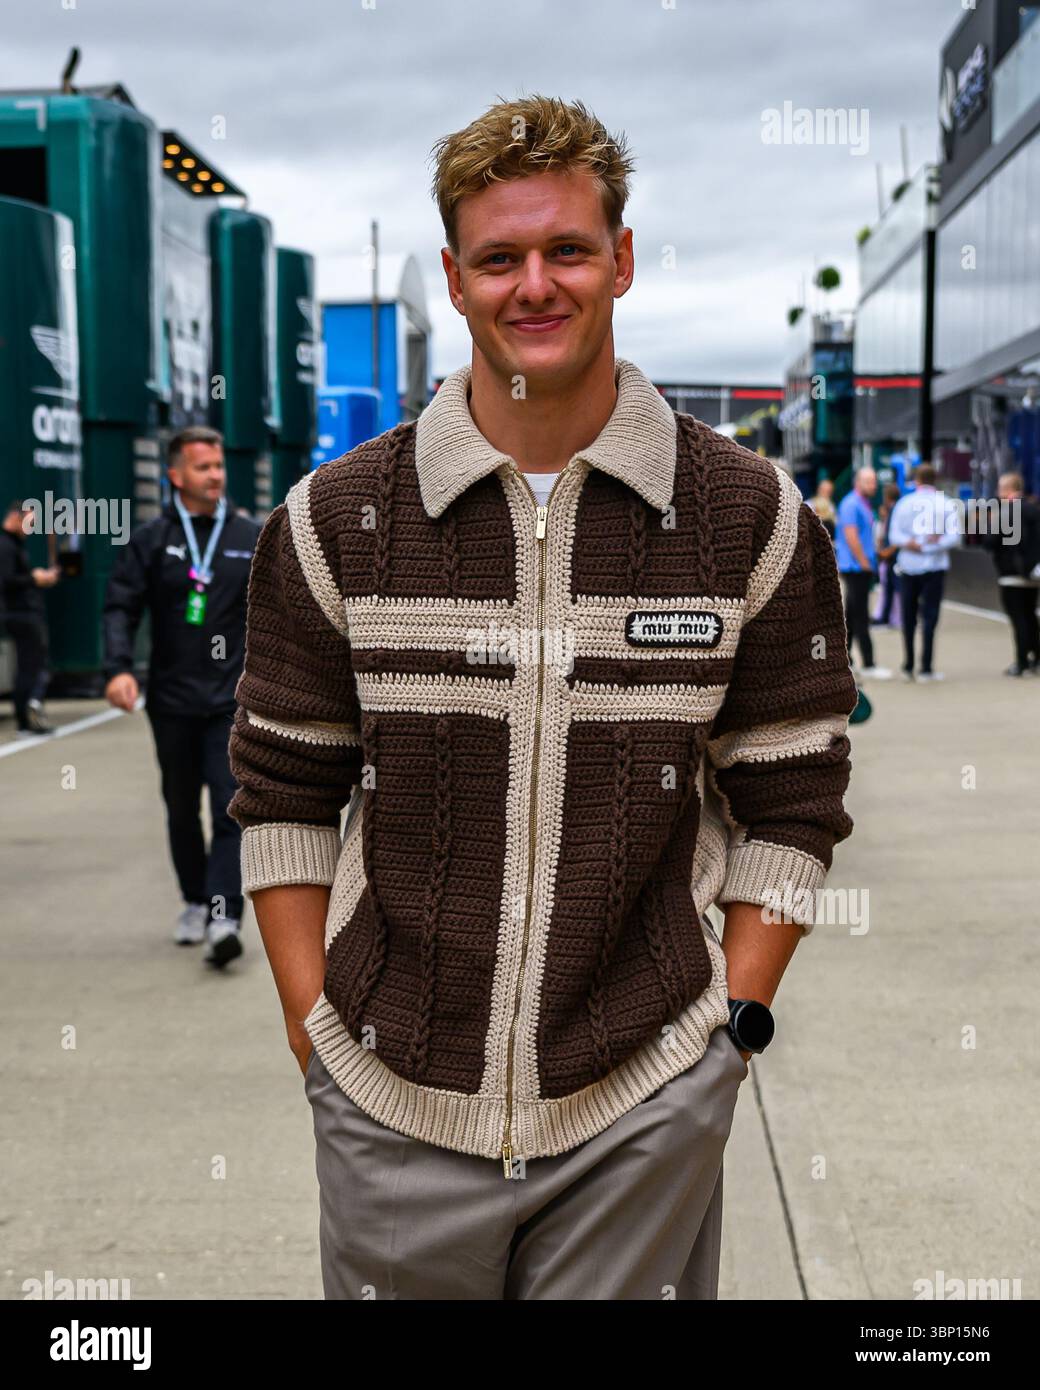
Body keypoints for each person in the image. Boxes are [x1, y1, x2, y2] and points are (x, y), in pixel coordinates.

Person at [227, 94, 858, 1301]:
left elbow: (793, 791)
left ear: (620, 258)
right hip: (390, 1109)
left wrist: (731, 1027)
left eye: (566, 249)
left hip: (641, 1106)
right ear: (457, 282)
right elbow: (283, 794)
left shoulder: (748, 517)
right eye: (498, 257)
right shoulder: (330, 525)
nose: (535, 285)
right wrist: (314, 1036)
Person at [102, 426, 261, 964]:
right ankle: (194, 900)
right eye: (203, 467)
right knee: (179, 807)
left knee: (228, 808)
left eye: (218, 465)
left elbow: (278, 613)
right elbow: (120, 606)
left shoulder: (249, 534)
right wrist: (119, 668)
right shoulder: (150, 539)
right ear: (175, 475)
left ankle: (223, 919)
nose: (216, 475)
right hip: (170, 699)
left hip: (230, 700)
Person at [888, 462, 961, 681]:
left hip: (909, 566)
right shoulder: (946, 503)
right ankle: (926, 667)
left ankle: (908, 664)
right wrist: (930, 545)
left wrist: (913, 544)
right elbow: (954, 537)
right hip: (934, 567)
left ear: (916, 481)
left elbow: (894, 536)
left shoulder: (904, 503)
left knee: (908, 616)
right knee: (930, 617)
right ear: (935, 479)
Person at [0, 500, 61, 735]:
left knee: (31, 666)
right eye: (29, 522)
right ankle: (28, 714)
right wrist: (34, 578)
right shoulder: (5, 546)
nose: (30, 527)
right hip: (20, 614)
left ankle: (27, 716)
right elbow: (7, 581)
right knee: (32, 667)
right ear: (16, 517)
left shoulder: (14, 545)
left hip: (23, 613)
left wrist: (40, 578)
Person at [834, 466, 891, 679]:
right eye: (869, 481)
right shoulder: (851, 504)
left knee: (852, 615)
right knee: (860, 616)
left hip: (860, 566)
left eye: (874, 481)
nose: (873, 485)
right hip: (857, 567)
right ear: (858, 482)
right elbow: (851, 536)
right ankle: (868, 663)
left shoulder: (862, 504)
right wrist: (865, 562)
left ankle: (846, 659)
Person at [982, 471, 1040, 675]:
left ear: (1006, 490)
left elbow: (990, 542)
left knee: (1019, 619)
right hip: (1033, 575)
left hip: (1011, 574)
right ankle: (1036, 659)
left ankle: (1021, 661)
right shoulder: (1034, 509)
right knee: (1031, 615)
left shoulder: (1006, 513)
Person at [873, 481, 902, 627]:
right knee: (889, 588)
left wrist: (886, 552)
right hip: (891, 556)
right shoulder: (892, 511)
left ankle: (892, 618)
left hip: (894, 557)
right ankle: (885, 617)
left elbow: (897, 536)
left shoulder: (896, 511)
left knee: (896, 588)